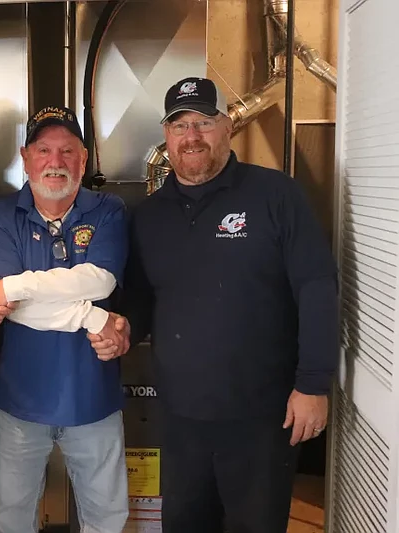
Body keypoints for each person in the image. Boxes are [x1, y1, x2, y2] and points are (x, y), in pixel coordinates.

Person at [92, 76, 339, 533]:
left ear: (227, 126)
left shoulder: (275, 195)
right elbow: (145, 297)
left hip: (264, 416)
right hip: (181, 418)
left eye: (204, 122)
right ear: (167, 137)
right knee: (185, 524)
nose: (192, 136)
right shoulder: (149, 216)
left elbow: (317, 286)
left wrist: (313, 384)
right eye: (180, 125)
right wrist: (125, 327)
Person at [0, 105, 131, 533]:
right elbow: (11, 310)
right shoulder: (2, 216)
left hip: (94, 398)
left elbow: (99, 280)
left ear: (83, 159)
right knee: (11, 514)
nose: (55, 162)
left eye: (67, 151)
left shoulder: (108, 211)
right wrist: (94, 318)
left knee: (106, 515)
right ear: (26, 157)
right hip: (22, 399)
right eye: (44, 150)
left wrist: (18, 288)